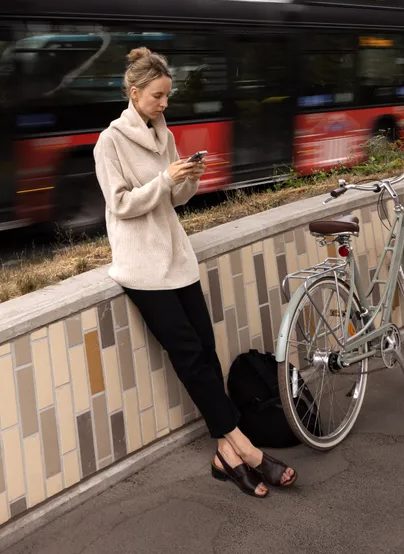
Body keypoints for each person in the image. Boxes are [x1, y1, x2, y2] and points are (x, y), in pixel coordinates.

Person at [93, 47, 297, 498]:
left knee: (206, 352)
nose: (165, 105)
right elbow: (121, 205)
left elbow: (176, 201)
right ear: (134, 93)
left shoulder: (163, 133)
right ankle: (246, 448)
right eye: (158, 97)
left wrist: (189, 178)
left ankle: (225, 457)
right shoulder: (109, 142)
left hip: (177, 259)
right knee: (188, 358)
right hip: (142, 267)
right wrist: (165, 180)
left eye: (167, 97)